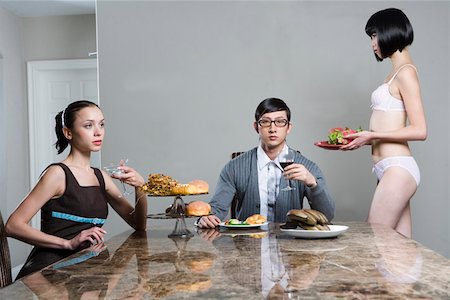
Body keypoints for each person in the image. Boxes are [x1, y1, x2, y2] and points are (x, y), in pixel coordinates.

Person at [6, 100, 148, 279]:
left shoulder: (101, 176)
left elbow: (138, 224)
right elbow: (12, 226)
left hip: (85, 267)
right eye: (88, 125)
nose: (98, 132)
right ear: (68, 132)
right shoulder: (57, 174)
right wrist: (67, 244)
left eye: (101, 124)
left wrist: (141, 188)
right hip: (49, 271)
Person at [341, 8, 427, 238]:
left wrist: (371, 135)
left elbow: (420, 130)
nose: (372, 43)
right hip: (388, 168)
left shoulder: (406, 73)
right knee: (398, 253)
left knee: (371, 240)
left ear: (389, 32)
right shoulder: (395, 72)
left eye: (374, 35)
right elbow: (387, 128)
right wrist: (364, 138)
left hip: (398, 168)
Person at [198, 98, 335, 228]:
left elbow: (327, 216)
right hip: (246, 246)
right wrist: (206, 218)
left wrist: (312, 183)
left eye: (280, 122)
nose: (273, 128)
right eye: (265, 122)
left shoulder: (307, 168)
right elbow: (217, 209)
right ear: (256, 127)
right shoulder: (234, 167)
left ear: (288, 127)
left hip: (291, 246)